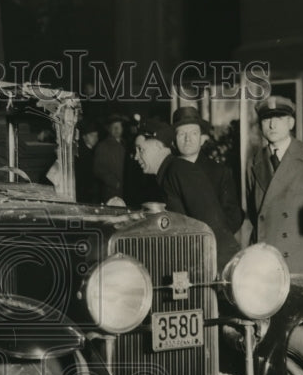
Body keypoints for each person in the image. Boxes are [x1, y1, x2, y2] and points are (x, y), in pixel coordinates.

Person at [134, 118, 240, 269]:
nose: (136, 156)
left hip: (204, 269)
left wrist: (229, 272)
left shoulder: (180, 171)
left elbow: (213, 226)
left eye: (140, 149)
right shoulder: (165, 175)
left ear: (158, 146)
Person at [246, 96, 303, 275]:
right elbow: (255, 214)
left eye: (279, 119)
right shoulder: (254, 162)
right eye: (267, 119)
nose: (272, 125)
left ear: (291, 123)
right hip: (266, 260)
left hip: (301, 261)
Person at [171, 106, 242, 233]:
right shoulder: (168, 172)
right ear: (174, 141)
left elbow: (234, 216)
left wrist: (215, 240)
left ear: (202, 139)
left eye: (193, 133)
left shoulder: (220, 172)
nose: (188, 139)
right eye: (182, 134)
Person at [91, 114, 127, 204]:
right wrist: (114, 182)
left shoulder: (126, 144)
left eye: (119, 127)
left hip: (126, 191)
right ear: (109, 129)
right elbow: (97, 169)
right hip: (111, 191)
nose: (117, 130)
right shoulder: (102, 146)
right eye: (114, 127)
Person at [74, 117, 101, 204]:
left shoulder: (91, 151)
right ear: (84, 137)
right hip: (82, 195)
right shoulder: (82, 153)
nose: (96, 138)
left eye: (96, 135)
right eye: (92, 135)